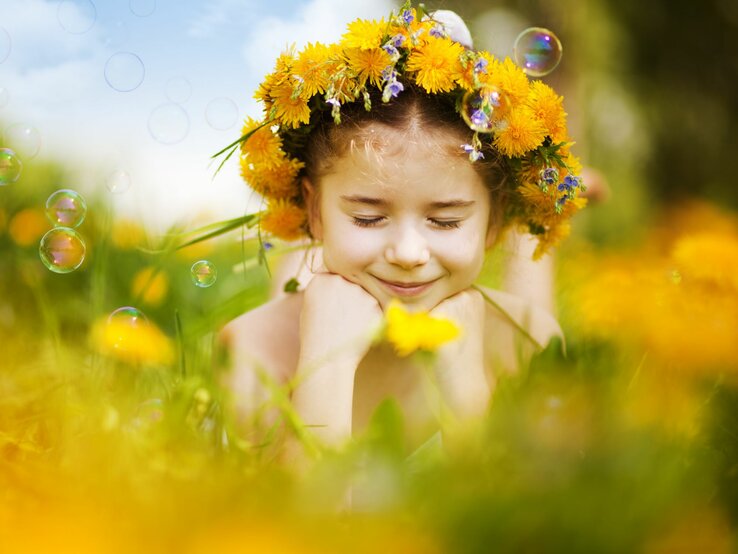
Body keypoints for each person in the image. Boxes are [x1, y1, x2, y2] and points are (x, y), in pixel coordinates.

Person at [220, 4, 586, 465]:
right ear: (312, 209)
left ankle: (529, 242)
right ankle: (302, 260)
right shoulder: (252, 352)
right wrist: (325, 364)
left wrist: (466, 385)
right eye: (369, 218)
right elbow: (302, 528)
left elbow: (520, 524)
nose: (409, 253)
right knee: (304, 267)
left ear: (494, 223)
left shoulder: (527, 338)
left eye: (446, 220)